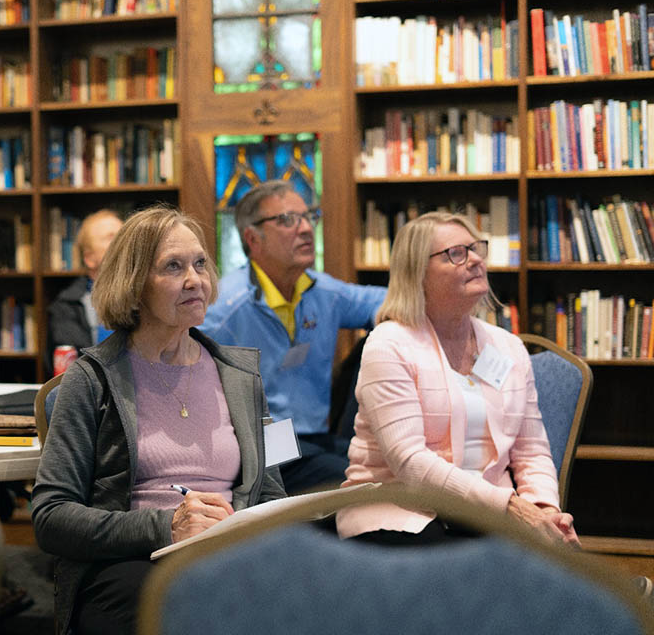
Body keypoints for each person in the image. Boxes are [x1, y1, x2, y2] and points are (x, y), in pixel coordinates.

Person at [32, 206, 286, 635]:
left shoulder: (243, 377)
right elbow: (50, 517)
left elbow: (273, 492)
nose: (195, 280)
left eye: (200, 263)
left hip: (229, 555)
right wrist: (165, 526)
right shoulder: (91, 379)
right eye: (173, 266)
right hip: (130, 564)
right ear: (134, 285)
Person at [336, 212, 580, 547]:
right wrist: (511, 509)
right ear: (417, 273)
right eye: (456, 253)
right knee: (456, 557)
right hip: (397, 508)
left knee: (541, 547)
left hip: (485, 514)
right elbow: (410, 463)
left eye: (477, 248)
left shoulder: (507, 346)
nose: (476, 260)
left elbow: (531, 451)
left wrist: (544, 510)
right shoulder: (389, 343)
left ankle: (615, 598)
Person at [200, 180, 387, 493]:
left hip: (318, 437)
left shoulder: (321, 290)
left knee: (384, 467)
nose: (305, 229)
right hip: (263, 448)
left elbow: (392, 301)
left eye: (309, 216)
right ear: (252, 238)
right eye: (287, 220)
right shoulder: (223, 310)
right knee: (363, 481)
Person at [46, 208, 123, 371]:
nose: (124, 243)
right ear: (89, 259)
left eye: (125, 235)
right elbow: (77, 368)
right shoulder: (67, 306)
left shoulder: (149, 294)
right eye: (112, 238)